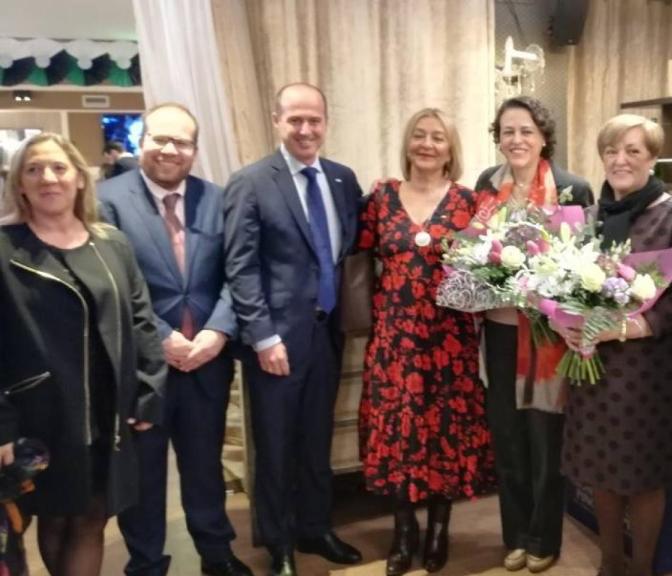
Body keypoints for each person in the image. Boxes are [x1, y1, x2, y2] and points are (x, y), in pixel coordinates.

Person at [0, 133, 165, 576]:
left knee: (94, 516)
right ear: (19, 184)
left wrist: (148, 390)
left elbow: (141, 319)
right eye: (33, 169)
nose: (47, 178)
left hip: (108, 413)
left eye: (58, 167)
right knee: (55, 518)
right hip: (41, 414)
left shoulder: (111, 242)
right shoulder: (3, 246)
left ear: (78, 179)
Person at [98, 103, 252, 576]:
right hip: (142, 367)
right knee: (144, 474)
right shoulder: (106, 200)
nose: (170, 149)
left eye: (181, 142)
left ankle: (216, 553)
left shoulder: (218, 197)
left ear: (194, 150)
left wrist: (217, 331)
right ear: (143, 141)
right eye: (160, 139)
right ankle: (145, 562)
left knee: (205, 465)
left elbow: (238, 274)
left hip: (207, 359)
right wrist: (161, 339)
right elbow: (113, 282)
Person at [224, 83, 363, 576]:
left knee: (316, 440)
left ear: (326, 122)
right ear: (277, 121)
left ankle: (316, 528)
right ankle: (278, 543)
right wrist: (263, 336)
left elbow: (355, 246)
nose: (306, 129)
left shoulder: (344, 180)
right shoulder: (252, 181)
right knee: (277, 445)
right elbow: (239, 268)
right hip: (275, 343)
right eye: (296, 120)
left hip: (327, 336)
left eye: (315, 120)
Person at [559, 114, 672, 576]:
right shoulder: (591, 218)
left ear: (652, 158)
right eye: (612, 151)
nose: (620, 160)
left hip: (648, 375)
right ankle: (609, 562)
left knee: (644, 477)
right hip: (595, 370)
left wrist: (634, 327)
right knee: (599, 470)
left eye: (633, 151)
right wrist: (563, 324)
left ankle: (640, 568)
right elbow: (567, 288)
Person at [357, 108, 495, 576]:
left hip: (449, 340)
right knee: (398, 435)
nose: (428, 144)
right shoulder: (380, 197)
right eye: (419, 135)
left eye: (438, 137)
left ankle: (439, 529)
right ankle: (403, 531)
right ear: (408, 142)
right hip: (394, 340)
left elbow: (486, 268)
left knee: (443, 434)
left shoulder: (468, 201)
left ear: (451, 149)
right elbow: (357, 256)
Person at [475, 96, 592, 573]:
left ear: (544, 136)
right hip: (500, 330)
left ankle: (544, 536)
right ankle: (516, 535)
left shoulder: (570, 188)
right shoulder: (487, 185)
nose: (516, 140)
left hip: (548, 337)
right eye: (507, 131)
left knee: (546, 436)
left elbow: (586, 263)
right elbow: (473, 248)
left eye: (526, 130)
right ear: (498, 138)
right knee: (507, 435)